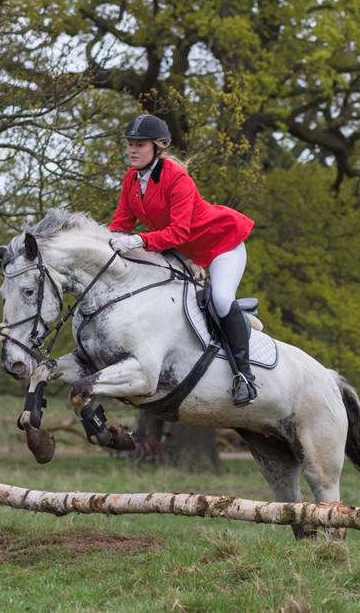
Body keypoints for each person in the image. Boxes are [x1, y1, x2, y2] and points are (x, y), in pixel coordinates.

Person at [107, 113, 259, 406]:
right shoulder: (130, 180)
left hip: (221, 246)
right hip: (184, 254)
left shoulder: (177, 179)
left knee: (222, 300)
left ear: (158, 147)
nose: (132, 149)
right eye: (129, 143)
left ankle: (244, 377)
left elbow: (178, 232)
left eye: (140, 144)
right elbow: (120, 223)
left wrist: (140, 240)